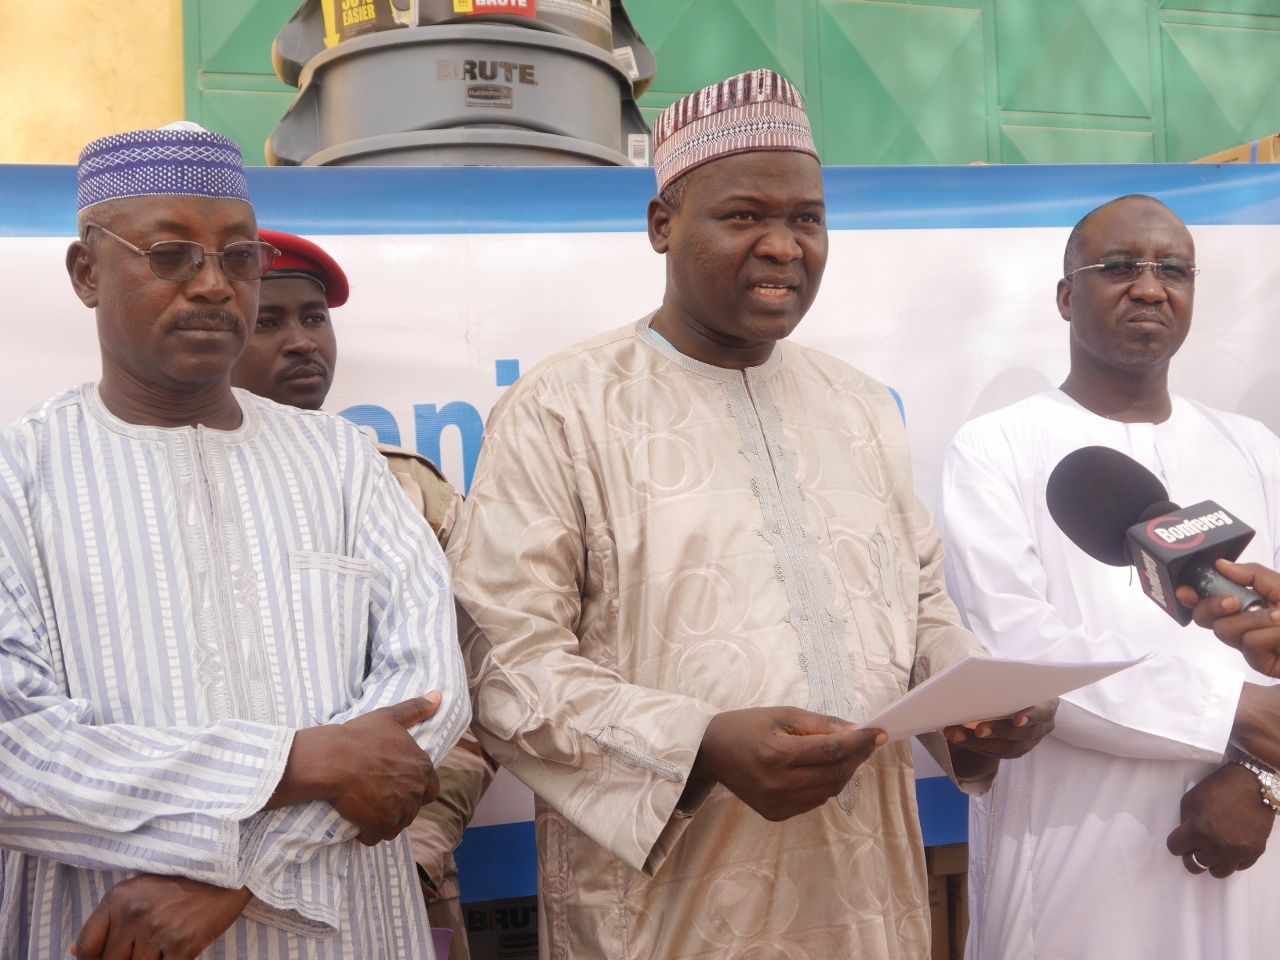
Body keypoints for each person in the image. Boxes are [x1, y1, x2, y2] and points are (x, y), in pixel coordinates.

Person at [446, 69, 1056, 959]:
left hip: (867, 900)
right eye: (743, 216)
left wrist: (977, 703)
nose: (783, 246)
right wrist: (701, 746)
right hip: (667, 917)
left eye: (807, 218)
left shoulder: (859, 406)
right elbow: (504, 664)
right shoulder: (561, 408)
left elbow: (921, 605)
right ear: (662, 224)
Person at [0, 123, 470, 960]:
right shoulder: (17, 480)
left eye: (239, 257)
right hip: (107, 929)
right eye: (171, 255)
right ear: (86, 272)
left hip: (353, 931)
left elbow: (426, 701)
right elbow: (18, 755)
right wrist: (299, 762)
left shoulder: (342, 460)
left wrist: (239, 873)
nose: (214, 285)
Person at [937, 194, 1280, 960]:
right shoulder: (996, 447)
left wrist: (1263, 775)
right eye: (1120, 267)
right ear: (1067, 295)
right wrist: (1235, 715)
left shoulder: (1257, 449)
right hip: (1072, 857)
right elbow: (1017, 649)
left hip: (1251, 846)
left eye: (1174, 271)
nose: (1150, 288)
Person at [230, 229, 496, 959]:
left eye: (314, 318)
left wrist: (423, 839)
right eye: (268, 321)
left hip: (398, 861)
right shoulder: (153, 495)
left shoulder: (408, 488)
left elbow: (482, 683)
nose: (301, 342)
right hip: (209, 879)